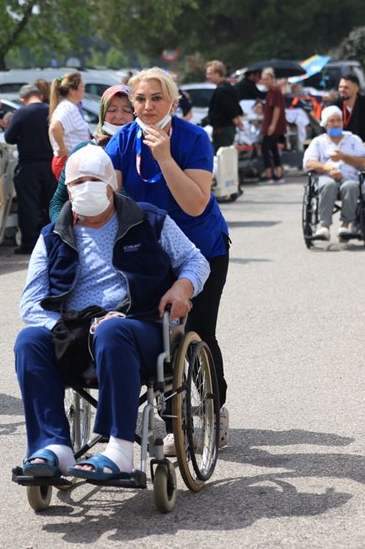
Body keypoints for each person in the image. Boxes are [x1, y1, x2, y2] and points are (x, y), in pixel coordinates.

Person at [14, 145, 209, 480]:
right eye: (76, 182)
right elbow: (30, 302)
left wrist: (182, 288)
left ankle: (119, 451)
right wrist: (66, 327)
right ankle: (53, 448)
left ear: (110, 184)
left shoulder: (148, 220)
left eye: (92, 180)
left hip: (139, 328)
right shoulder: (53, 235)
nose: (83, 188)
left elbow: (196, 261)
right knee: (29, 340)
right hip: (73, 334)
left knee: (111, 331)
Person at [105, 67, 231, 451]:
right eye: (139, 99)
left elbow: (195, 205)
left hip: (201, 249)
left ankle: (213, 409)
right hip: (147, 253)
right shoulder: (123, 141)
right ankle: (169, 414)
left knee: (197, 331)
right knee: (155, 333)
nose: (146, 106)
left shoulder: (194, 139)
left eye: (156, 98)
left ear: (173, 103)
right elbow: (107, 197)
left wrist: (163, 157)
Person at [49, 84, 135, 221]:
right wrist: (63, 230)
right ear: (102, 113)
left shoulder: (145, 153)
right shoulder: (83, 151)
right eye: (112, 110)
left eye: (126, 110)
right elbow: (58, 202)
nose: (119, 116)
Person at [302, 106, 365, 241]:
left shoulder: (353, 140)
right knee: (328, 185)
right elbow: (308, 163)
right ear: (325, 124)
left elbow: (364, 162)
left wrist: (343, 157)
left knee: (350, 187)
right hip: (326, 177)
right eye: (332, 121)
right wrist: (328, 168)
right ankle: (324, 227)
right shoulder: (318, 142)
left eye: (338, 120)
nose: (336, 124)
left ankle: (345, 225)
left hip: (350, 177)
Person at [4, 84, 56, 255]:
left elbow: (9, 138)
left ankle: (30, 244)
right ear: (40, 96)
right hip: (51, 165)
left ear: (23, 99)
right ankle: (53, 241)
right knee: (51, 205)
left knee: (28, 206)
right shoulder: (51, 110)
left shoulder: (22, 112)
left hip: (29, 165)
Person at [332, 75, 365, 172]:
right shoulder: (334, 105)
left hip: (362, 148)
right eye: (340, 87)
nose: (342, 90)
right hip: (340, 149)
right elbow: (324, 126)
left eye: (346, 87)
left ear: (356, 89)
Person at [48, 71, 91, 179]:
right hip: (68, 162)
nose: (83, 89)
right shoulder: (67, 108)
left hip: (71, 162)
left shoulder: (69, 107)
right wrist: (62, 148)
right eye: (81, 86)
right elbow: (54, 127)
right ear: (72, 90)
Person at [205, 60, 242, 150]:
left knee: (222, 157)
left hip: (222, 130)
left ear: (218, 73)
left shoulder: (222, 91)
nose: (208, 76)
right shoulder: (229, 87)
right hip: (227, 129)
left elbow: (230, 109)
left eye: (210, 73)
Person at [259, 68, 287, 183]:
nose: (265, 82)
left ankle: (269, 174)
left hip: (273, 125)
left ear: (272, 79)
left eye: (267, 79)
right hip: (271, 124)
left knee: (265, 148)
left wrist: (272, 125)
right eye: (263, 79)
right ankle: (278, 174)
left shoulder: (275, 91)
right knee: (273, 148)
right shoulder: (271, 91)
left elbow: (277, 108)